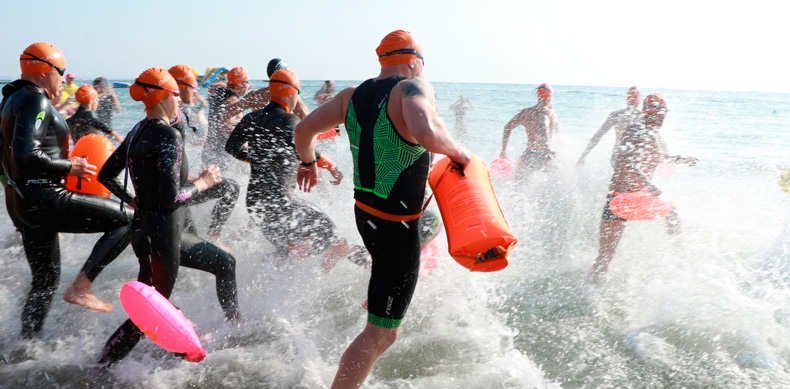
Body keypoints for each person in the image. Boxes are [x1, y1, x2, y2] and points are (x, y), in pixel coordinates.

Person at [293, 30, 471, 388]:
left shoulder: (351, 96)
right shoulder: (412, 88)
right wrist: (460, 153)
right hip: (396, 225)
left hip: (367, 215)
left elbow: (304, 129)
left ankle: (382, 284)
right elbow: (425, 131)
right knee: (381, 335)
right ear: (412, 60)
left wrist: (308, 162)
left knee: (431, 223)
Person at [97, 68, 240, 365]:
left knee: (225, 262)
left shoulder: (138, 129)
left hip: (151, 231)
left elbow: (106, 174)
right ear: (165, 95)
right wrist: (203, 183)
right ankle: (101, 367)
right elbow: (170, 197)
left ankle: (235, 325)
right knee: (148, 312)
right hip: (161, 236)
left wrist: (135, 202)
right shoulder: (167, 135)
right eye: (176, 94)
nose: (178, 100)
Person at [0, 43, 132, 337]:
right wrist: (69, 166)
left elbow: (4, 159)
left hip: (21, 200)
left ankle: (27, 345)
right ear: (47, 71)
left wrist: (16, 210)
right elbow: (26, 155)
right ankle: (82, 288)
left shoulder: (11, 100)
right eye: (60, 73)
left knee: (45, 280)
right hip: (44, 196)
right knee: (127, 219)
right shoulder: (35, 102)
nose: (63, 80)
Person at [225, 69, 367, 267]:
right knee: (327, 230)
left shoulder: (252, 118)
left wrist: (257, 158)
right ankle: (371, 268)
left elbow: (231, 147)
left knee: (284, 251)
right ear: (292, 93)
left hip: (255, 204)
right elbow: (302, 145)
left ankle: (266, 287)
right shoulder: (289, 120)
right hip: (279, 202)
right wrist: (330, 166)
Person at [590, 93, 698, 283]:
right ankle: (678, 254)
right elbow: (624, 161)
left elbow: (659, 157)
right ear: (656, 114)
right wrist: (648, 183)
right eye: (663, 114)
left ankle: (678, 256)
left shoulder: (650, 133)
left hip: (633, 198)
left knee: (672, 210)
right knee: (605, 257)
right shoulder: (636, 131)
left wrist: (681, 159)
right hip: (621, 200)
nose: (664, 118)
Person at [169, 64, 240, 242]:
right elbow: (169, 189)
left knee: (230, 187)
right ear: (179, 88)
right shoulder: (167, 124)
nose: (195, 91)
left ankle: (213, 236)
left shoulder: (175, 116)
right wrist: (199, 184)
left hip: (178, 192)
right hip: (174, 200)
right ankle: (209, 242)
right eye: (193, 86)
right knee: (195, 250)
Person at [499, 83, 559, 178]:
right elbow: (543, 125)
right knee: (552, 184)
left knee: (520, 185)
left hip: (528, 154)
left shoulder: (526, 112)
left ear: (538, 95)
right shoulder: (548, 113)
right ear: (550, 97)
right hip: (545, 154)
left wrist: (503, 150)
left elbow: (507, 127)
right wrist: (547, 146)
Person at [577, 86, 648, 166]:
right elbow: (656, 138)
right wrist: (664, 153)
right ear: (639, 99)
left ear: (627, 99)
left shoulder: (616, 115)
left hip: (617, 155)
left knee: (616, 176)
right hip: (635, 157)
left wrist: (583, 156)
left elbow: (598, 135)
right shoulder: (643, 117)